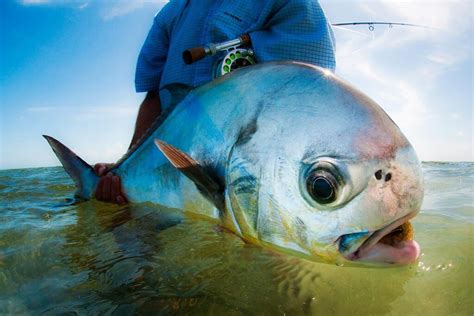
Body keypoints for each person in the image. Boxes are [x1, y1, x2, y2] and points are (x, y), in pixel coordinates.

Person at [95, 0, 336, 204]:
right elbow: (153, 97)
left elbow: (310, 87)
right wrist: (124, 170)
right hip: (166, 174)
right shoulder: (169, 14)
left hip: (250, 182)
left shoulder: (291, 4)